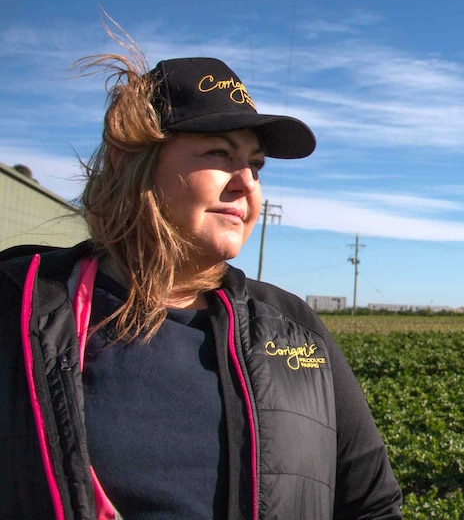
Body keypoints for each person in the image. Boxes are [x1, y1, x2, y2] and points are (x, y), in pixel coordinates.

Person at [0, 50, 402, 519]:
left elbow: (371, 505)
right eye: (220, 153)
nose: (246, 184)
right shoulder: (21, 305)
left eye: (255, 165)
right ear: (135, 160)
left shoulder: (294, 330)